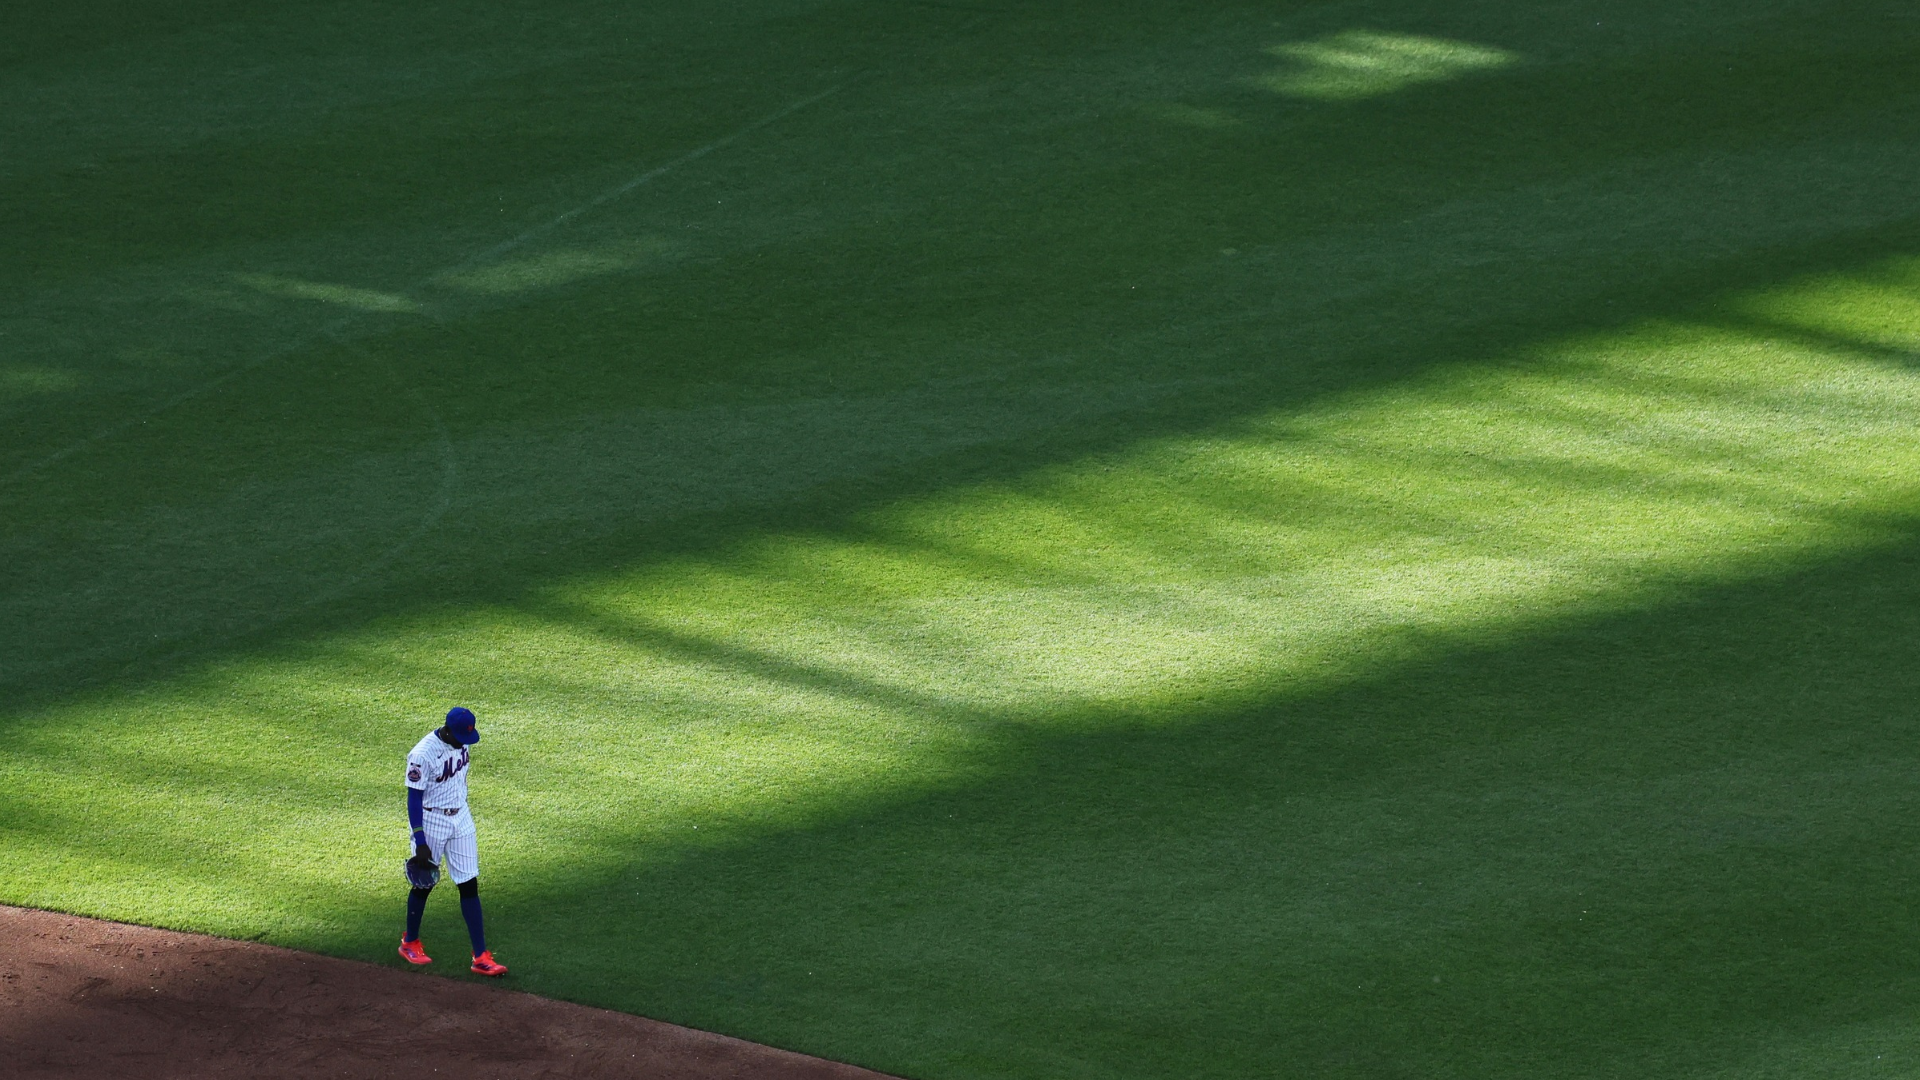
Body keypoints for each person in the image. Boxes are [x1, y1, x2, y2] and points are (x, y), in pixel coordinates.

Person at [397, 706, 507, 976]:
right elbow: (414, 798)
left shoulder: (462, 742)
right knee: (424, 882)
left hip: (461, 817)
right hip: (432, 819)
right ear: (447, 730)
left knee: (469, 884)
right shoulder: (422, 754)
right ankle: (410, 942)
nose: (463, 743)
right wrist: (420, 838)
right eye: (460, 737)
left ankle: (480, 956)